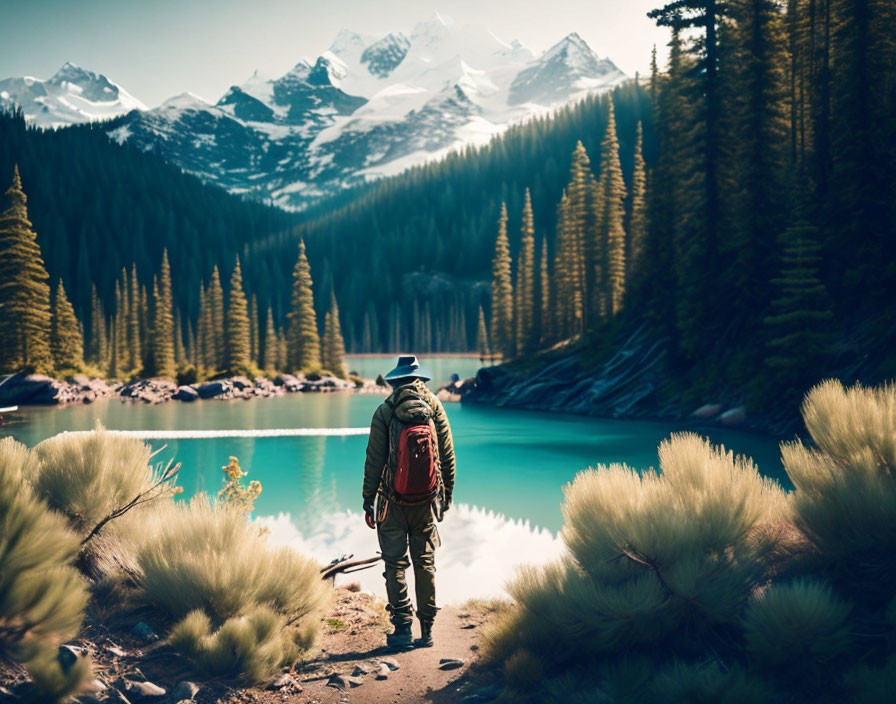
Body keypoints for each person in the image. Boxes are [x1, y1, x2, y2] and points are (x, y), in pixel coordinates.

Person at [362, 355, 456, 650]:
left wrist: (368, 500)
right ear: (420, 380)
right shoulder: (435, 407)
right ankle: (427, 630)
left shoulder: (385, 411)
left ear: (395, 381)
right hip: (426, 502)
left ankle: (402, 629)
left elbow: (374, 461)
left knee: (395, 564)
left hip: (391, 501)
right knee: (425, 562)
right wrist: (446, 494)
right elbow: (448, 454)